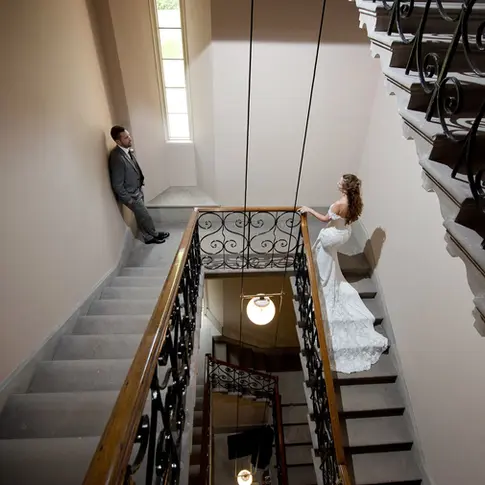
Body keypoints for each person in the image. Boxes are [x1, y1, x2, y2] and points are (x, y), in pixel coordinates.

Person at [298, 174, 388, 374]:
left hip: (332, 235)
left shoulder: (339, 204)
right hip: (344, 235)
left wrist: (308, 209)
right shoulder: (356, 202)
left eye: (340, 181)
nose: (337, 182)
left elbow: (324, 220)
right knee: (329, 258)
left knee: (323, 257)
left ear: (345, 187)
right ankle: (325, 274)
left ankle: (322, 282)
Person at [108, 126, 169, 244]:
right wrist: (129, 200)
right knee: (145, 216)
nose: (130, 138)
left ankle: (148, 236)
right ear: (118, 141)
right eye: (126, 137)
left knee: (141, 216)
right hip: (132, 195)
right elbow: (117, 184)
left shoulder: (126, 151)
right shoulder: (117, 158)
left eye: (129, 135)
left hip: (137, 190)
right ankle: (153, 235)